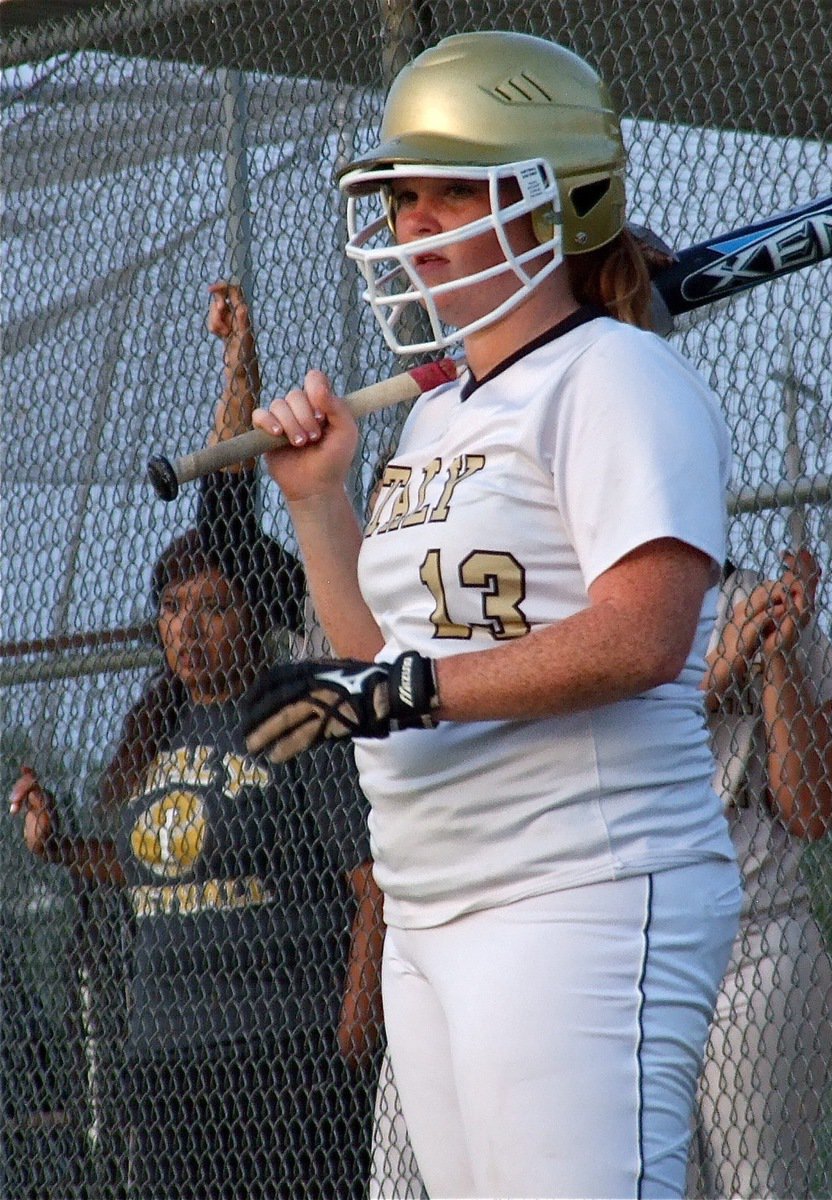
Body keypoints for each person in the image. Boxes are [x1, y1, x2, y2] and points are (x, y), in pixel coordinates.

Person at [240, 31, 742, 1199]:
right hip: (432, 903)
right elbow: (381, 669)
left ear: (548, 201)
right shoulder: (437, 418)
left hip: (578, 887)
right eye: (402, 198)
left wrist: (412, 690)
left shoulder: (616, 376)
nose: (412, 227)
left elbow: (642, 635)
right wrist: (319, 505)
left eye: (446, 194)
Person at [9, 281, 383, 1200]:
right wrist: (61, 849)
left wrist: (355, 1015)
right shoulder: (158, 729)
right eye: (172, 609)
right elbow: (155, 863)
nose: (188, 627)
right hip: (173, 1056)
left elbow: (227, 486)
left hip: (285, 1048)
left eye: (211, 606)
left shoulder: (299, 696)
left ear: (253, 609)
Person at [692, 548, 832, 1199]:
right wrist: (712, 676)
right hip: (624, 948)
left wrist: (773, 658)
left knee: (762, 1187)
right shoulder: (582, 607)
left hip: (756, 938)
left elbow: (813, 811)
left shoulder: (751, 600)